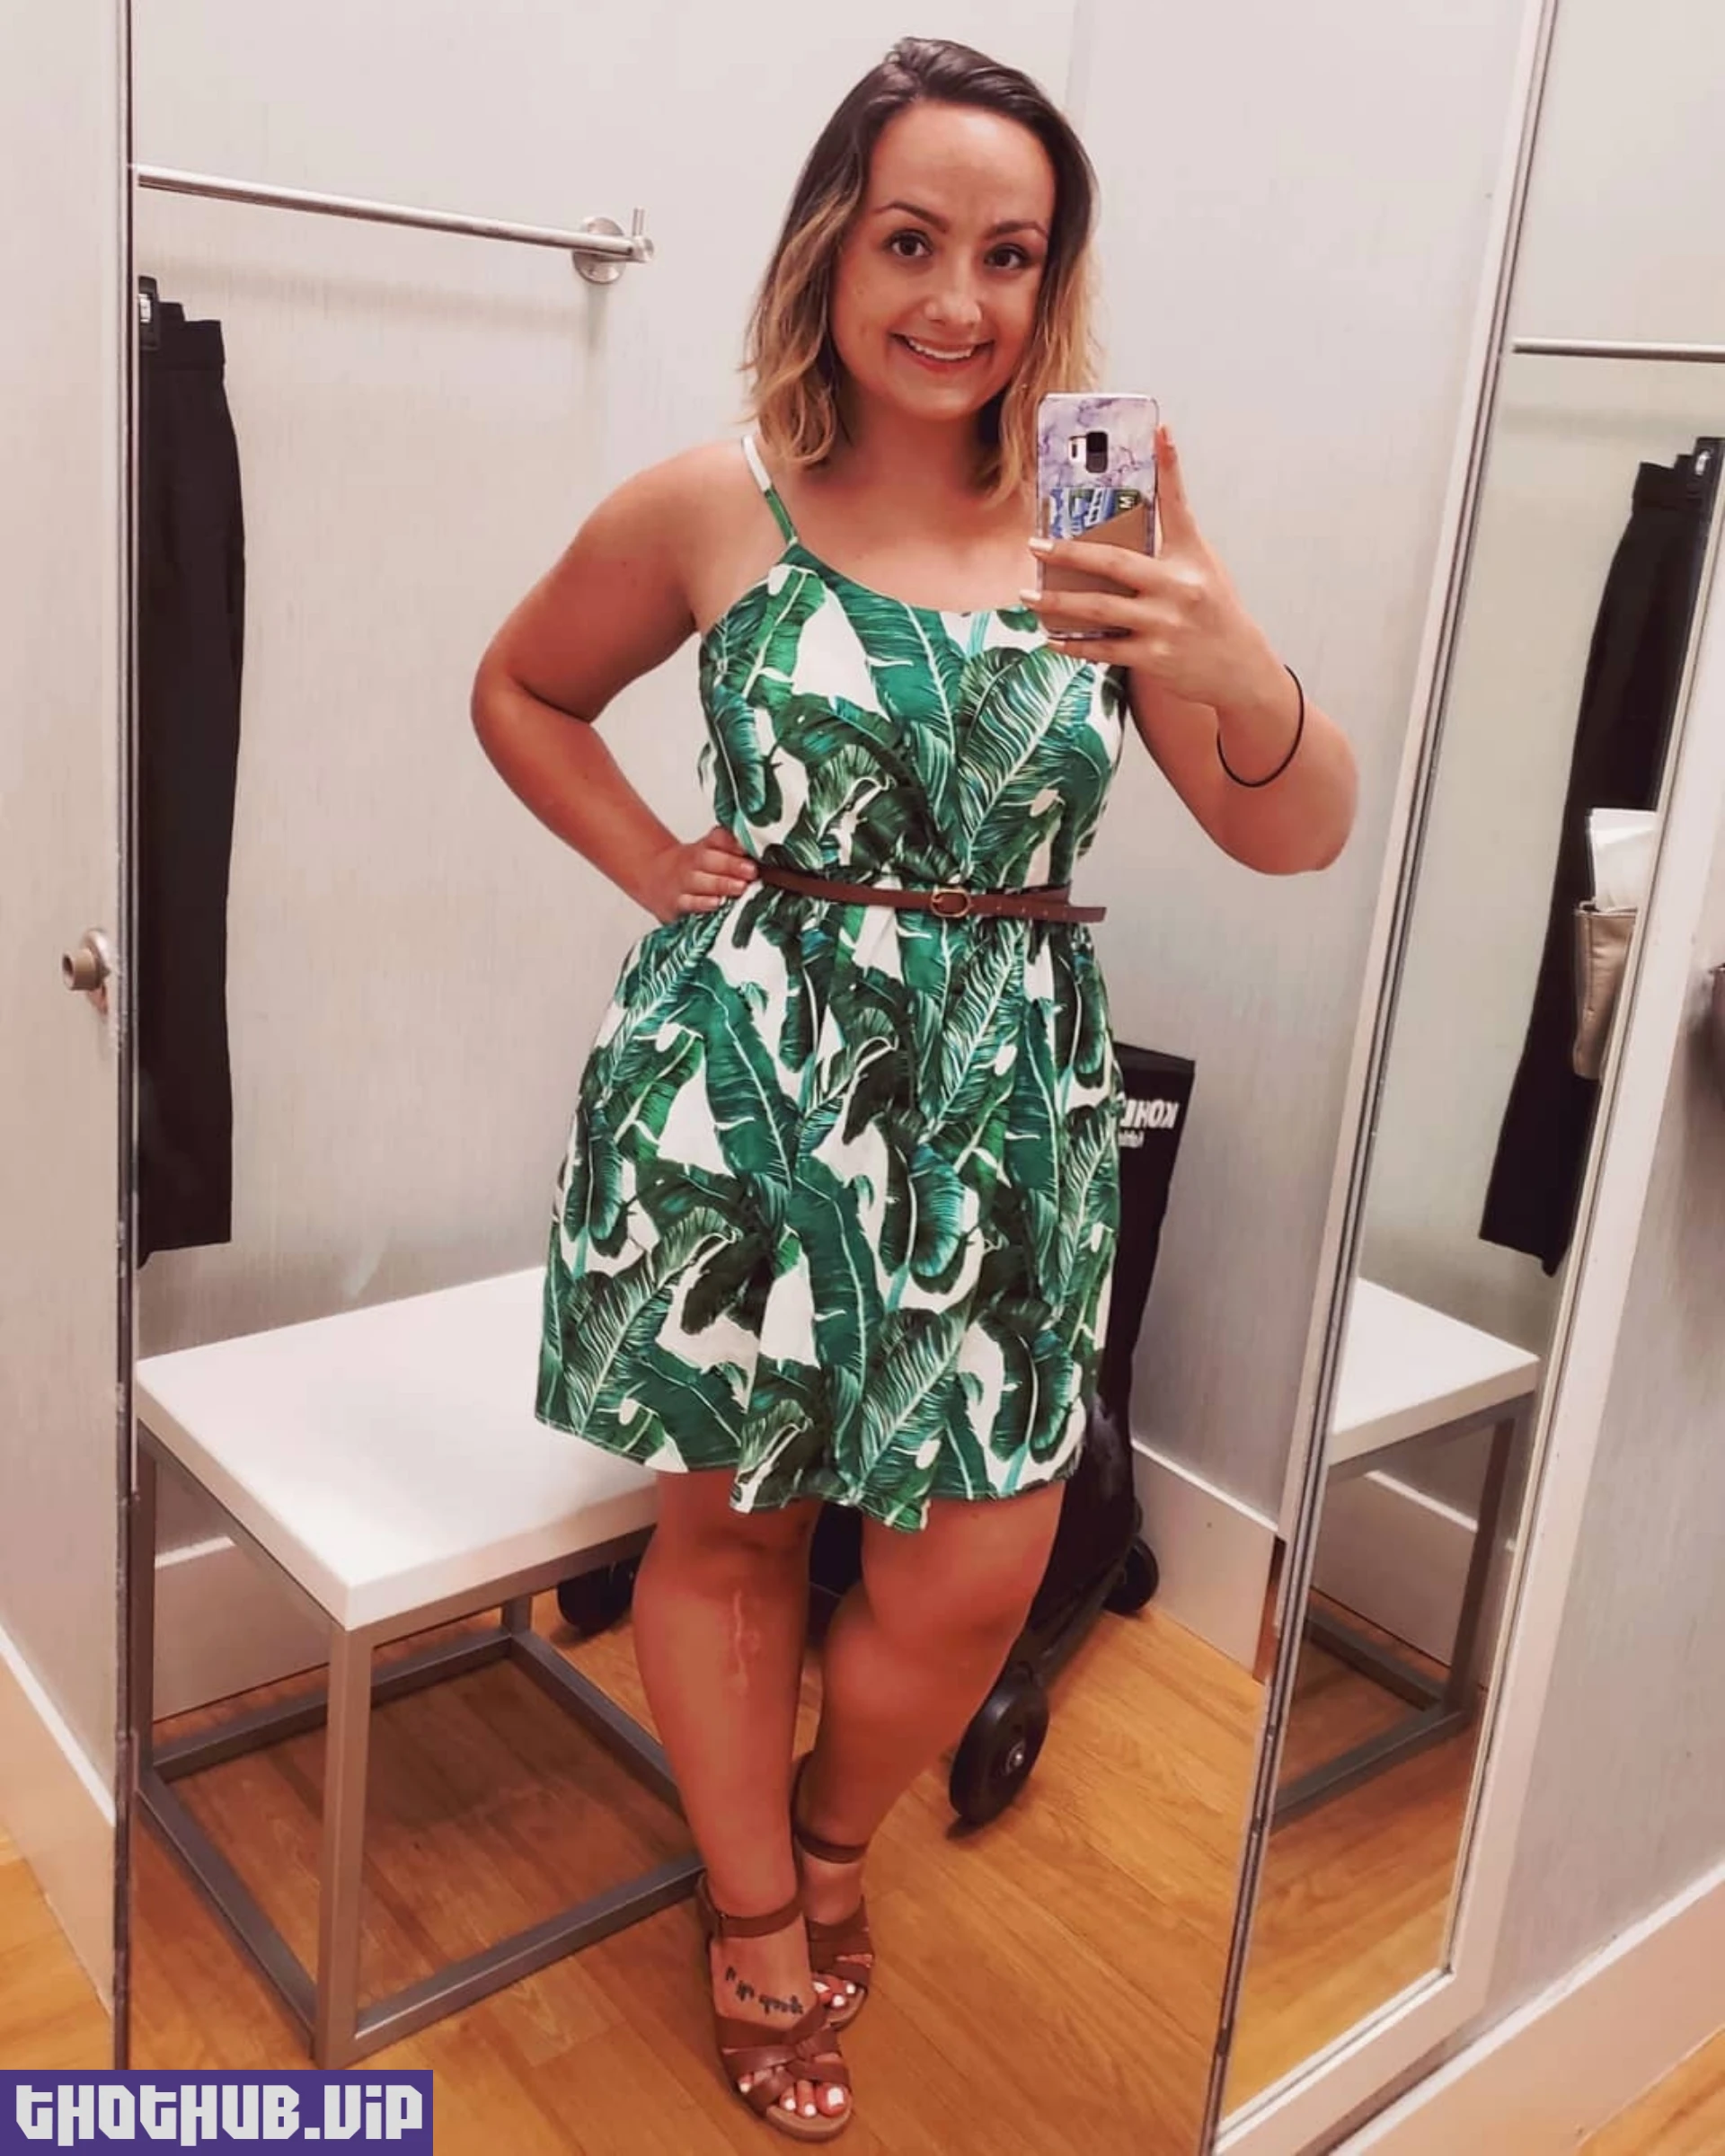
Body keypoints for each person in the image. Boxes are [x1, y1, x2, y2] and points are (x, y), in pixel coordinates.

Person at [472, 35, 1357, 2142]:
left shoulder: (1098, 503)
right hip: (746, 1089)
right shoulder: (720, 500)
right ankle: (756, 1906)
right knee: (733, 1530)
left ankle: (831, 1823)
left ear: (1056, 281)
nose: (959, 298)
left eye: (1010, 254)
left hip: (1006, 1104)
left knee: (977, 1559)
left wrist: (1231, 660)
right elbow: (521, 688)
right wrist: (654, 864)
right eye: (911, 241)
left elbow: (1295, 829)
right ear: (832, 251)